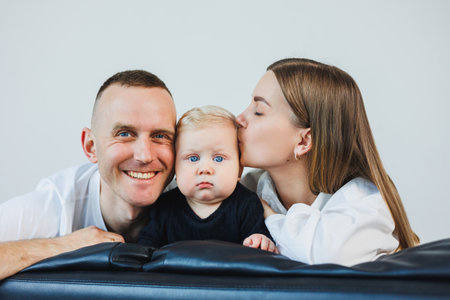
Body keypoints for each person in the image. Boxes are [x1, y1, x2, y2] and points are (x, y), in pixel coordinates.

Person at [237, 58, 419, 266]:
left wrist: (266, 213)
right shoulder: (248, 187)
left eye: (258, 111)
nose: (239, 119)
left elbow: (325, 256)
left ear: (304, 141)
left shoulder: (365, 203)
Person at [0, 70, 177, 280]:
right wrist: (64, 246)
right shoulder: (57, 203)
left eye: (160, 136)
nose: (144, 155)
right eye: (124, 134)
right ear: (91, 146)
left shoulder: (197, 198)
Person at [138, 106, 276, 253]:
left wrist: (260, 239)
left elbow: (261, 247)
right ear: (175, 168)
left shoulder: (247, 204)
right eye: (193, 158)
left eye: (218, 158)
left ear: (239, 170)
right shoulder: (164, 207)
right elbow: (144, 251)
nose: (205, 169)